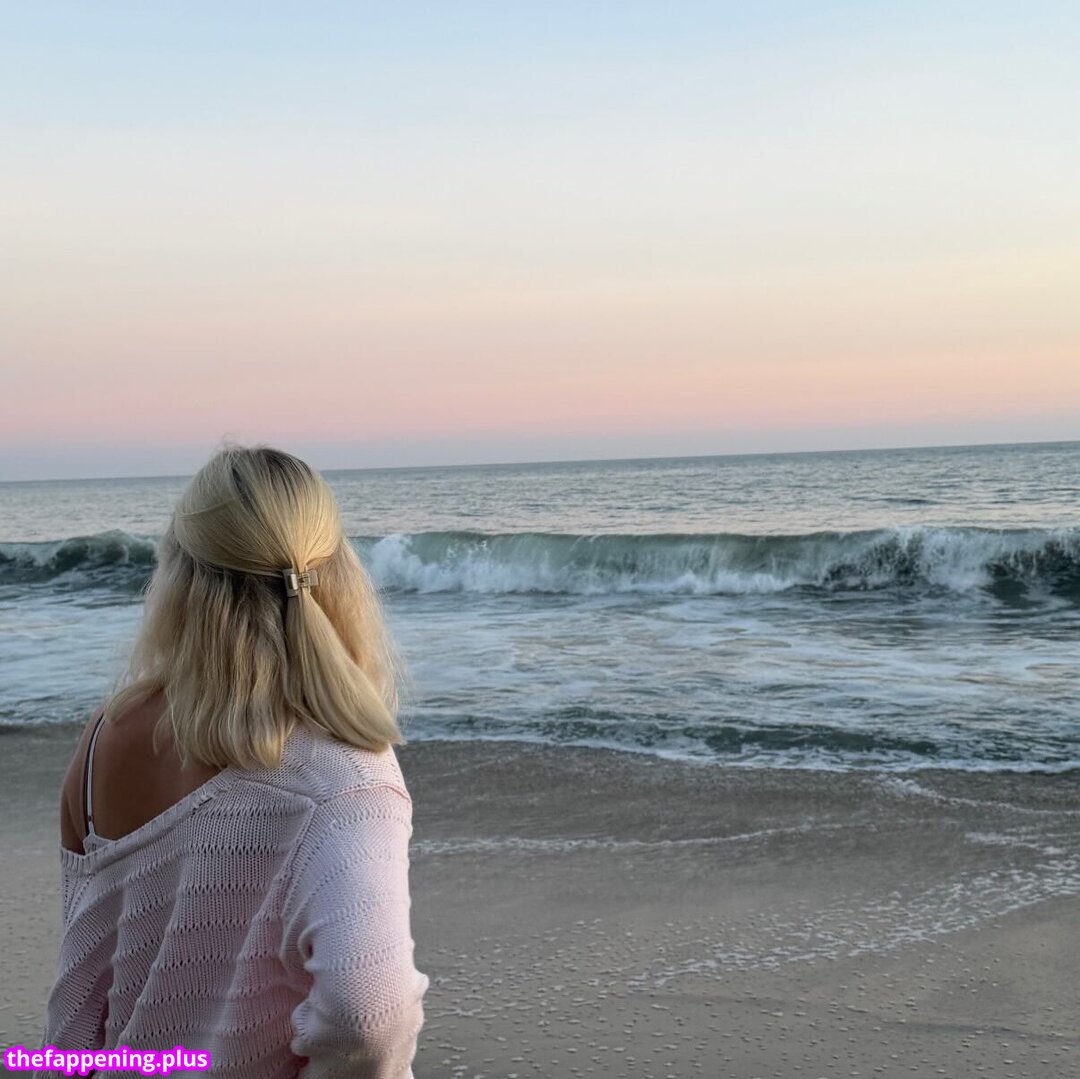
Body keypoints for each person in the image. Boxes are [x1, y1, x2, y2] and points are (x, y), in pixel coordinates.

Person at [38, 444, 429, 1078]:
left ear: (178, 574)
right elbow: (367, 1016)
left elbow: (86, 984)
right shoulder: (343, 779)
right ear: (338, 570)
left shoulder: (106, 735)